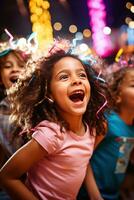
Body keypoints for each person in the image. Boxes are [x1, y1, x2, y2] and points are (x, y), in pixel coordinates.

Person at [0, 45, 110, 200]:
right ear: (49, 94)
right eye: (64, 77)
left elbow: (83, 161)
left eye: (82, 75)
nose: (76, 80)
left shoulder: (93, 129)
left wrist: (95, 195)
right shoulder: (51, 134)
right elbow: (7, 177)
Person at [78, 65, 134, 200]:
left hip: (113, 195)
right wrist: (94, 195)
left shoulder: (132, 129)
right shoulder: (107, 121)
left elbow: (121, 163)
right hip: (90, 195)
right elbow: (82, 159)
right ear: (118, 95)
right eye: (133, 84)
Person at [0, 47, 30, 200]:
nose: (14, 69)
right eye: (7, 66)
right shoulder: (0, 113)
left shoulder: (40, 107)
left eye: (21, 65)